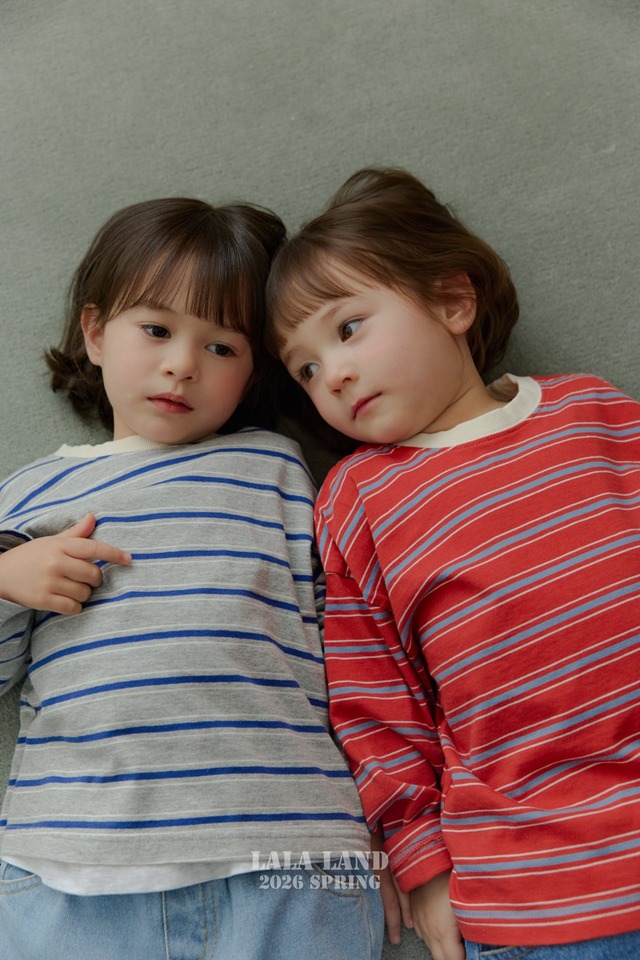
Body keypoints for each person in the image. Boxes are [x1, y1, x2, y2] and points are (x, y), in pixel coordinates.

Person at [266, 167, 640, 960]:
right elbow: (376, 703)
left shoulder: (596, 413)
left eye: (348, 329)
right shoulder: (359, 499)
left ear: (451, 301)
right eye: (305, 369)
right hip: (533, 889)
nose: (332, 374)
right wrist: (424, 864)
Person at [0, 196, 384, 960]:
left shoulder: (277, 467)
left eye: (221, 346)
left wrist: (391, 832)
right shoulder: (30, 493)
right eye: (156, 330)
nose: (182, 364)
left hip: (289, 857)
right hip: (74, 868)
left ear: (255, 370)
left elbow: (353, 642)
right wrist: (7, 580)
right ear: (94, 332)